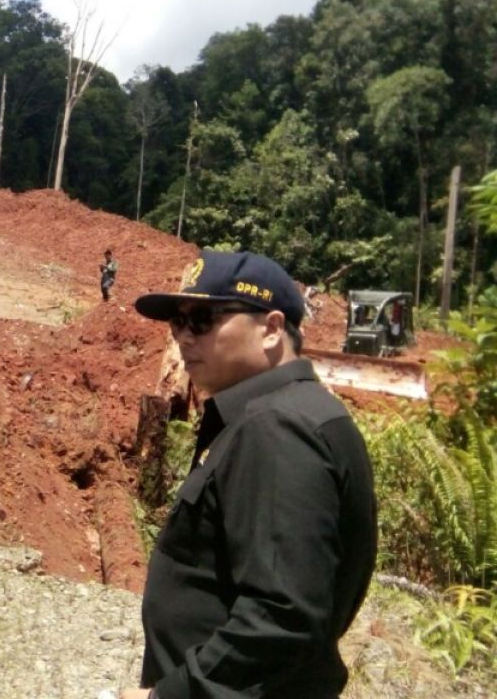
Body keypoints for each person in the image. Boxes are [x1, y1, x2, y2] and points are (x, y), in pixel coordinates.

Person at [122, 250, 376, 699]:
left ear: (272, 329)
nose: (183, 337)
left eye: (201, 318)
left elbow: (282, 615)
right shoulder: (288, 413)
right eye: (176, 323)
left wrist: (172, 695)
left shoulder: (278, 428)